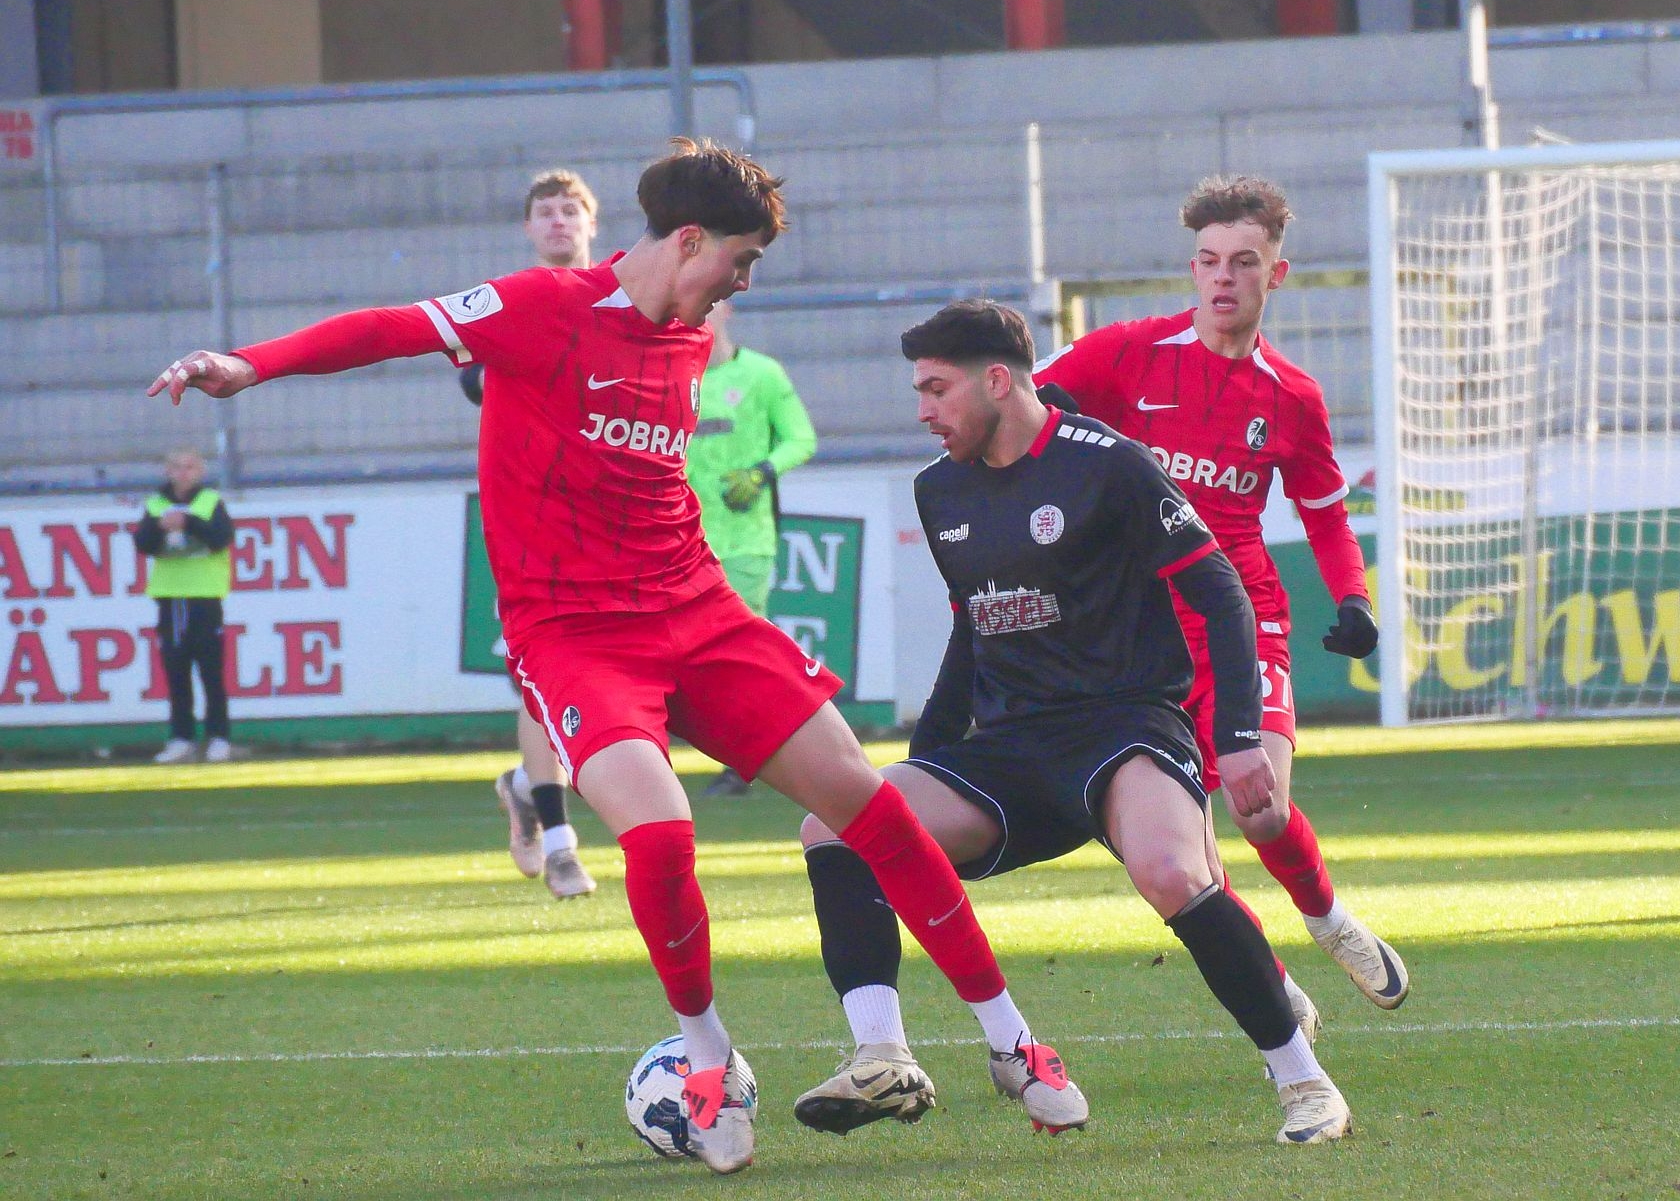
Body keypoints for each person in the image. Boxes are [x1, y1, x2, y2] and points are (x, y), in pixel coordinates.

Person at [146, 137, 1077, 1175]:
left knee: (866, 798)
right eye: (741, 259)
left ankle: (1012, 1040)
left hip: (698, 608)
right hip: (575, 634)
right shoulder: (540, 307)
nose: (743, 282)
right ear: (691, 240)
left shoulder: (694, 337)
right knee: (662, 832)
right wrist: (251, 364)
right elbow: (390, 327)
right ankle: (707, 1061)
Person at [792, 299, 1351, 1147]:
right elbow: (973, 632)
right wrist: (927, 762)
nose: (924, 411)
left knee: (1171, 872)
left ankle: (1305, 1083)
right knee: (836, 825)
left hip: (1128, 728)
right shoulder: (938, 490)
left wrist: (1239, 738)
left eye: (937, 390)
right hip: (1011, 747)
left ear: (997, 381)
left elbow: (1223, 596)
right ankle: (882, 1054)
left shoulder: (1111, 463)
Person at [1035, 174, 1409, 1014]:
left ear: (1276, 273)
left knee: (1262, 807)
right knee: (1179, 847)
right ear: (1193, 268)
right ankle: (1266, 976)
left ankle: (1330, 921)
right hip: (1138, 632)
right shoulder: (1127, 351)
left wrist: (1354, 599)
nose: (1224, 277)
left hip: (1243, 615)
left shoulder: (1292, 397)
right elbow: (1021, 400)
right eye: (1209, 260)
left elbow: (1326, 517)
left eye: (1243, 261)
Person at [459, 169, 603, 899]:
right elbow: (472, 376)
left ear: (591, 223)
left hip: (615, 524)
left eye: (569, 209)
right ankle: (561, 843)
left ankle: (523, 786)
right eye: (545, 211)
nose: (557, 221)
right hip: (535, 531)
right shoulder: (512, 302)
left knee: (610, 692)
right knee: (544, 682)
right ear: (528, 228)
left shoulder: (621, 299)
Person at [685, 298, 818, 797]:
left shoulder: (762, 374)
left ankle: (744, 759)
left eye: (711, 301)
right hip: (681, 543)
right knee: (693, 658)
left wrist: (762, 473)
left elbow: (801, 440)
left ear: (727, 310)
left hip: (745, 541)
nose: (702, 310)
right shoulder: (672, 378)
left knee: (737, 652)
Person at [131, 449, 235, 764]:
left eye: (189, 467)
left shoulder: (210, 501)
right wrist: (160, 526)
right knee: (176, 673)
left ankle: (218, 737)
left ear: (200, 471)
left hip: (205, 597)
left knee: (211, 673)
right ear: (168, 471)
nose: (183, 473)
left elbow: (221, 537)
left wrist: (188, 522)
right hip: (172, 598)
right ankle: (181, 738)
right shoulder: (155, 504)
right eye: (177, 467)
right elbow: (143, 544)